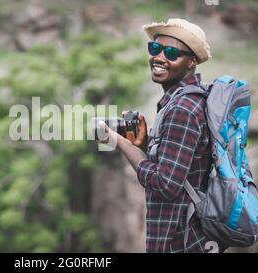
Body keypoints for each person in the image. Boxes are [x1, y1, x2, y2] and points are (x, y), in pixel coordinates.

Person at [99, 18, 222, 253]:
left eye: (172, 52)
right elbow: (178, 167)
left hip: (178, 240)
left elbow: (166, 184)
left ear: (191, 61)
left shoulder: (182, 109)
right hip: (192, 237)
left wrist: (119, 142)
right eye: (155, 48)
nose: (159, 57)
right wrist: (144, 145)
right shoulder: (191, 98)